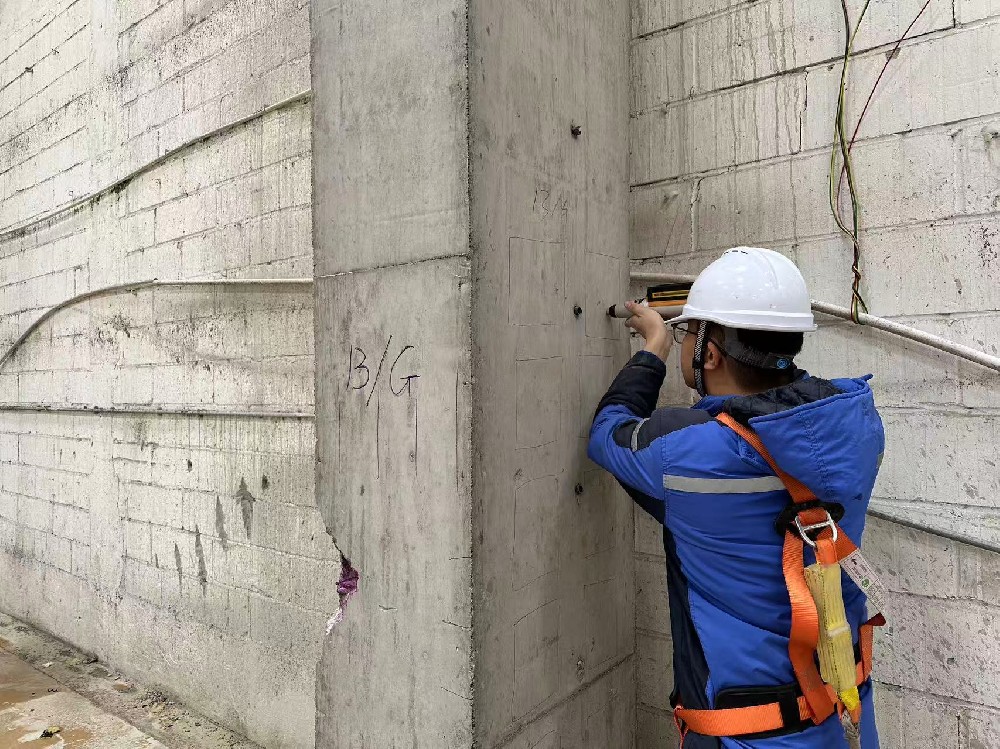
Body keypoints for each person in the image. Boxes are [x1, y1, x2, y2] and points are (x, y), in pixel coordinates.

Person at [588, 247, 885, 748]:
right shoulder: (855, 426)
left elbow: (607, 433)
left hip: (745, 736)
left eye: (688, 333)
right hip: (840, 719)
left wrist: (653, 347)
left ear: (709, 352)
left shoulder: (686, 450)